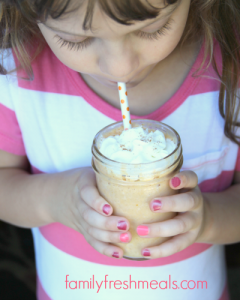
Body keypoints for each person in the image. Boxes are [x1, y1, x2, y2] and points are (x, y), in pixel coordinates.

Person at [0, 0, 240, 299]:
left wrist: (208, 219)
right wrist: (55, 201)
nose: (120, 66)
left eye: (153, 28)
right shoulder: (15, 72)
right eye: (76, 39)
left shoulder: (230, 68)